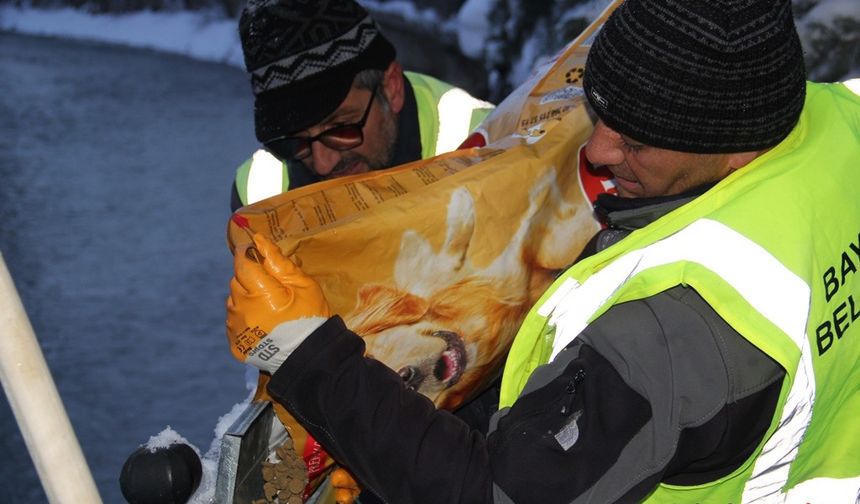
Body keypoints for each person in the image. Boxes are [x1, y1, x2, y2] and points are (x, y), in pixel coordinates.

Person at [226, 0, 860, 502]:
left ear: (736, 145)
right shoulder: (842, 120)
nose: (601, 152)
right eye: (603, 114)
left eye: (637, 142)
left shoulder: (672, 321)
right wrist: (374, 430)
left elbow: (496, 494)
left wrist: (316, 363)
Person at [231, 0, 495, 212]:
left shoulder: (492, 147)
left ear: (391, 87)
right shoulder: (259, 197)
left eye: (340, 128)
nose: (324, 164)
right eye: (297, 140)